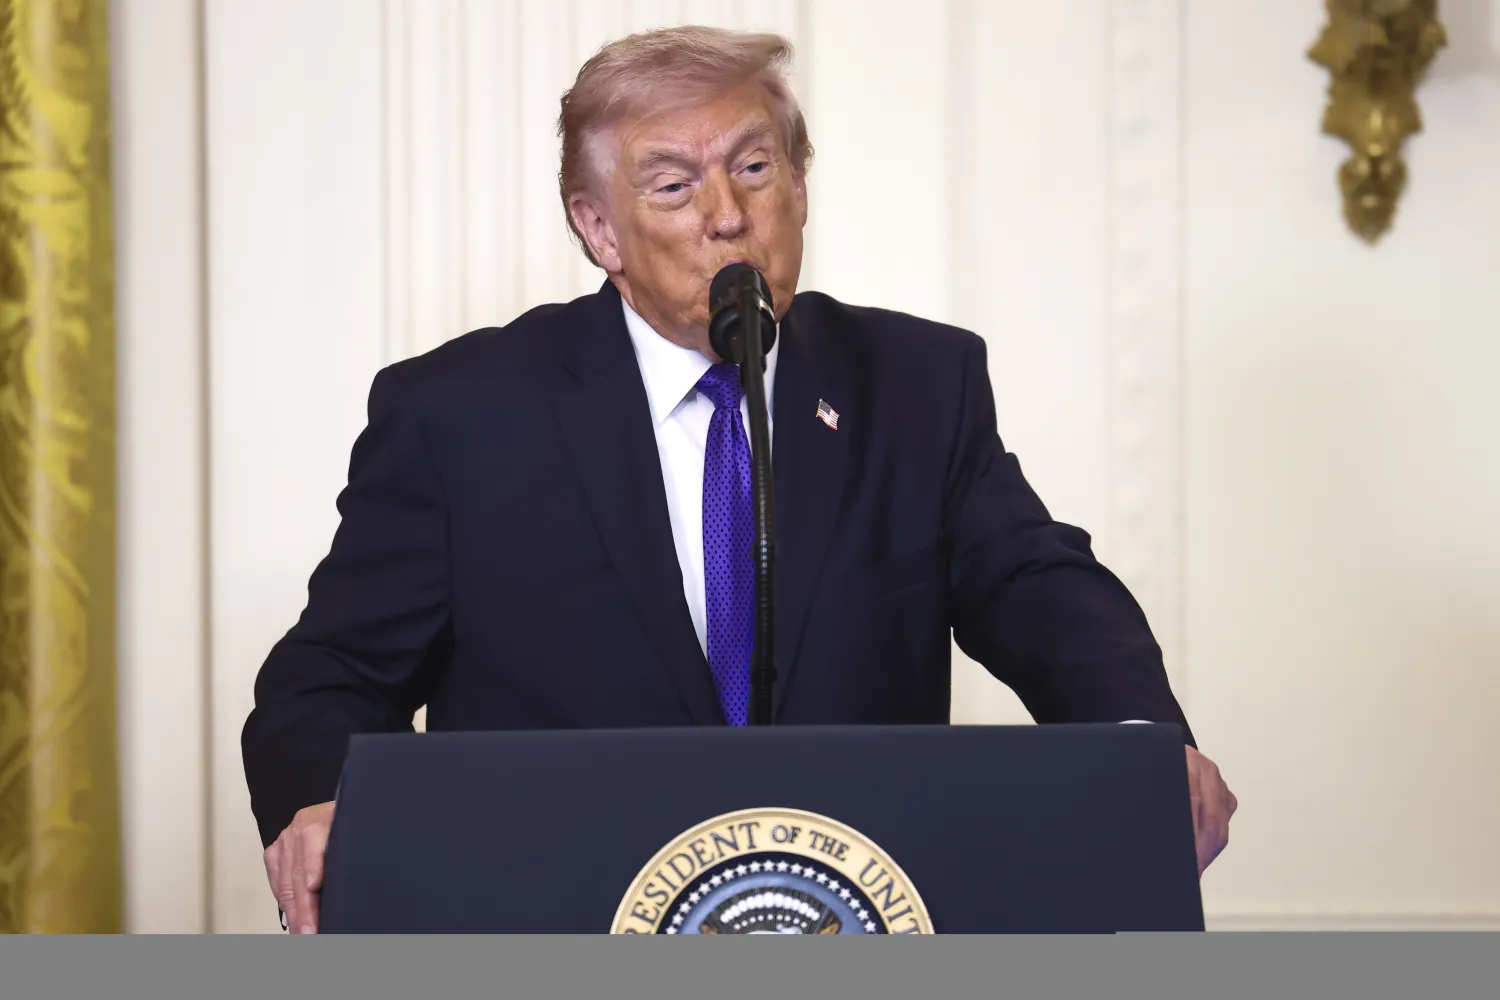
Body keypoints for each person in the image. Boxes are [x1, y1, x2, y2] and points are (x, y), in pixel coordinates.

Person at [243, 26, 1236, 935]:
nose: (727, 215)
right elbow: (328, 677)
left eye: (755, 168)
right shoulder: (463, 414)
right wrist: (323, 807)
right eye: (673, 187)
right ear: (599, 230)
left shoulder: (915, 386)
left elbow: (1039, 590)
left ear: (799, 189)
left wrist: (1140, 745)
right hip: (555, 924)